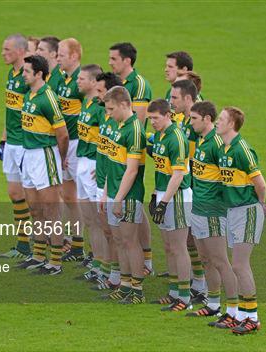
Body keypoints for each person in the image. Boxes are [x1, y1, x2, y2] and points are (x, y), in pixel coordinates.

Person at [215, 106, 266, 334]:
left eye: (221, 119)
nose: (218, 122)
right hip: (233, 211)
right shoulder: (224, 149)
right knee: (237, 265)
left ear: (231, 124)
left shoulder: (242, 149)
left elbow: (261, 183)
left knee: (240, 264)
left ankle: (253, 317)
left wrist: (258, 204)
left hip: (247, 211)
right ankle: (241, 314)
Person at [16, 55, 70, 275]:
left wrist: (61, 158)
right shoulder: (30, 95)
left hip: (44, 156)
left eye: (27, 71)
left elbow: (63, 134)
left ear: (39, 74)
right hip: (28, 156)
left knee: (51, 210)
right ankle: (38, 255)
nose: (23, 75)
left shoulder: (48, 98)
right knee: (35, 209)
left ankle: (55, 262)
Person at [185, 101, 239, 321]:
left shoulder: (217, 144)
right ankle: (214, 303)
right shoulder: (201, 141)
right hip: (198, 209)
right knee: (206, 259)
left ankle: (235, 310)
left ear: (207, 119)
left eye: (194, 119)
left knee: (220, 261)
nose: (191, 123)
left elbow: (230, 177)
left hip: (213, 212)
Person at [108, 42, 154, 274]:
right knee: (129, 215)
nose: (110, 62)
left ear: (127, 61)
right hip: (120, 151)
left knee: (133, 206)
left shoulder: (139, 85)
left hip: (133, 153)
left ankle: (144, 262)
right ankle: (132, 270)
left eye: (114, 59)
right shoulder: (118, 85)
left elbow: (138, 120)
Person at [100, 86, 147, 304]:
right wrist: (106, 193)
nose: (108, 113)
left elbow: (132, 169)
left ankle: (137, 290)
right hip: (114, 193)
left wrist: (118, 199)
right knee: (119, 240)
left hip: (128, 196)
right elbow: (112, 163)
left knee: (130, 241)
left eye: (111, 109)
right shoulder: (117, 124)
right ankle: (125, 285)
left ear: (124, 104)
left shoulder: (135, 130)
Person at [146, 99, 193, 312]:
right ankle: (174, 293)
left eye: (155, 118)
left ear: (168, 115)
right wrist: (156, 196)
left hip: (178, 197)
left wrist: (163, 202)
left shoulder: (176, 138)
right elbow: (160, 170)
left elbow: (179, 174)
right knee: (168, 247)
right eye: (150, 119)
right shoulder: (160, 136)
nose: (152, 122)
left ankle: (185, 297)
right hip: (164, 194)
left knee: (179, 247)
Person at [169, 79, 212, 303]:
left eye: (174, 98)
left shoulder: (198, 125)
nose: (170, 101)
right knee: (189, 239)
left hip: (200, 189)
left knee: (203, 241)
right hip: (189, 188)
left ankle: (208, 290)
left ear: (188, 99)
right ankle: (199, 283)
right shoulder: (181, 120)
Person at [0, 34, 32, 260]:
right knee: (14, 193)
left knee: (35, 198)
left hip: (26, 144)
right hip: (12, 143)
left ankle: (40, 245)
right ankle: (22, 245)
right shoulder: (11, 75)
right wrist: (3, 139)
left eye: (7, 49)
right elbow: (10, 110)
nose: (2, 53)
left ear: (20, 51)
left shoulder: (29, 77)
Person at [75, 64, 108, 281]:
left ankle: (104, 267)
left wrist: (102, 166)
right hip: (82, 163)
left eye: (82, 78)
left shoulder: (99, 108)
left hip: (94, 165)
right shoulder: (86, 104)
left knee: (98, 221)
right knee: (88, 220)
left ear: (94, 82)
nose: (78, 81)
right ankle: (96, 263)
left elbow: (106, 141)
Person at [91, 72, 123, 291]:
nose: (98, 96)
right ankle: (109, 272)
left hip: (112, 187)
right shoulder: (106, 117)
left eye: (101, 91)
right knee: (106, 230)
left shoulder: (118, 123)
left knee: (115, 234)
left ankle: (117, 277)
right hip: (101, 182)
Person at [56, 38, 85, 262]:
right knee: (68, 196)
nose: (58, 58)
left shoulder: (81, 81)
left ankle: (83, 246)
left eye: (62, 54)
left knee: (84, 198)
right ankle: (75, 244)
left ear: (74, 56)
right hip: (65, 144)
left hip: (77, 145)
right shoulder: (65, 80)